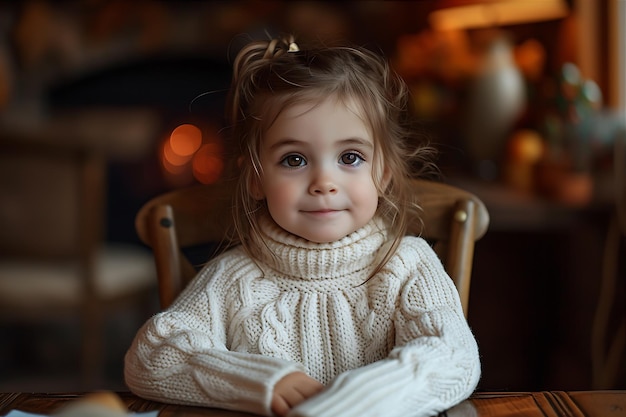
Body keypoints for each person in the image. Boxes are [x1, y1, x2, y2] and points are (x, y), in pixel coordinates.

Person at [124, 33, 481, 417]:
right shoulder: (232, 279)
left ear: (385, 173)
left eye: (350, 156)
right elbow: (150, 358)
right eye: (294, 160)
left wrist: (356, 403)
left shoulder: (407, 264)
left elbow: (453, 356)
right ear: (256, 180)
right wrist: (258, 382)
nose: (323, 182)